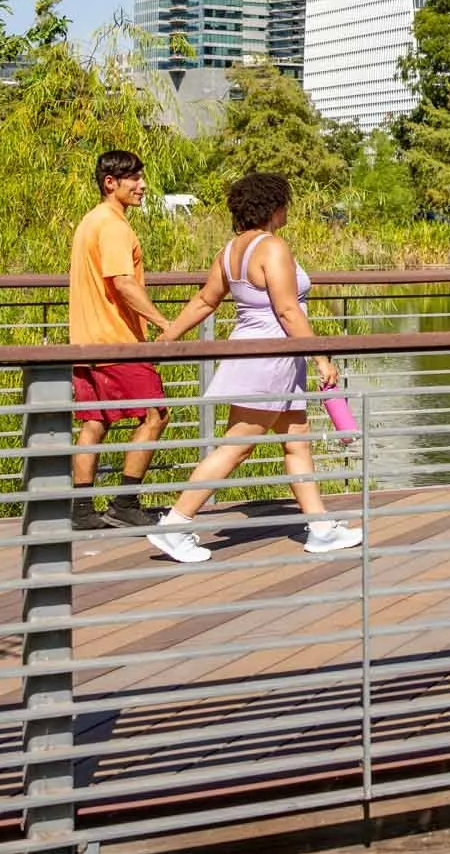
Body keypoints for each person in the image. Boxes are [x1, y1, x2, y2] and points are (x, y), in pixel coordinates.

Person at [150, 170, 361, 564]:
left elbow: (204, 301)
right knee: (237, 445)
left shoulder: (231, 250)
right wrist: (320, 356)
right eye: (285, 203)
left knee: (296, 440)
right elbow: (286, 309)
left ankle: (319, 528)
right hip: (273, 357)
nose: (287, 210)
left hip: (261, 353)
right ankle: (176, 525)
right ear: (273, 206)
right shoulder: (272, 248)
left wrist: (167, 338)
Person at [69, 150, 171, 531]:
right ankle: (125, 503)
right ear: (110, 183)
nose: (142, 185)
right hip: (116, 340)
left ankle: (81, 510)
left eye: (142, 177)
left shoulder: (89, 222)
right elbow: (122, 281)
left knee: (95, 421)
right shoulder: (113, 225)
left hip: (86, 340)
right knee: (156, 414)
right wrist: (163, 322)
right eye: (134, 179)